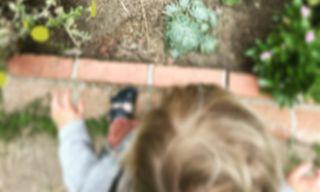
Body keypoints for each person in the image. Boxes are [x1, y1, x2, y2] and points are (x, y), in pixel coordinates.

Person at [51, 85, 320, 192]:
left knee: (120, 137)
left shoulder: (104, 185)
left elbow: (80, 176)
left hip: (119, 158)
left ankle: (120, 121)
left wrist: (70, 128)